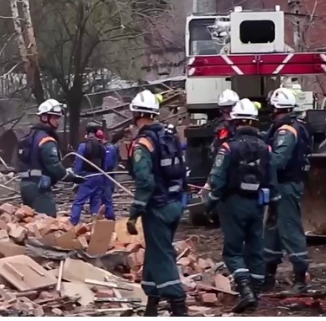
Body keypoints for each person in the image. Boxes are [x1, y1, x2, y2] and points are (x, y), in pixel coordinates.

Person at [205, 98, 278, 312]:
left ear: (235, 122)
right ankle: (256, 291)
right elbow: (271, 179)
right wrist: (273, 205)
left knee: (233, 251)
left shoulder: (228, 148)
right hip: (257, 203)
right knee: (255, 248)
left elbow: (217, 179)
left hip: (233, 203)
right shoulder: (266, 148)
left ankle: (245, 290)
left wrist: (210, 204)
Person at [125, 90, 188, 316]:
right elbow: (182, 172)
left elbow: (145, 181)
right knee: (154, 251)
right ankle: (152, 303)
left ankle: (179, 305)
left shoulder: (143, 143)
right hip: (175, 204)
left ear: (137, 114)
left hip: (157, 208)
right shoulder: (170, 137)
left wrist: (135, 212)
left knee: (162, 255)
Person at [262, 87, 312, 293]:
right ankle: (268, 277)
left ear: (275, 107)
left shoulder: (285, 131)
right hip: (280, 185)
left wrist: (259, 161)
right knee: (271, 231)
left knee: (290, 229)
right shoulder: (288, 126)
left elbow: (278, 160)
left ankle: (300, 280)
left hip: (286, 185)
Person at [17, 99, 86, 216]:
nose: (57, 121)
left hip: (25, 186)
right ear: (44, 117)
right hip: (39, 188)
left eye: (57, 118)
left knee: (31, 223)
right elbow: (53, 165)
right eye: (54, 118)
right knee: (48, 223)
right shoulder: (46, 140)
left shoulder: (29, 137)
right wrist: (70, 176)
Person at [69, 122, 107, 225]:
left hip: (87, 177)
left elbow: (79, 163)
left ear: (86, 132)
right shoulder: (102, 147)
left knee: (79, 202)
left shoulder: (83, 146)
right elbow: (104, 165)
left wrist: (75, 177)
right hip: (99, 177)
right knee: (96, 203)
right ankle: (96, 226)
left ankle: (73, 224)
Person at [100, 129, 118, 221]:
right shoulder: (105, 147)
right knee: (102, 198)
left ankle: (110, 218)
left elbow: (108, 163)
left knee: (107, 198)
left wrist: (102, 169)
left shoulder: (109, 148)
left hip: (107, 176)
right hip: (105, 176)